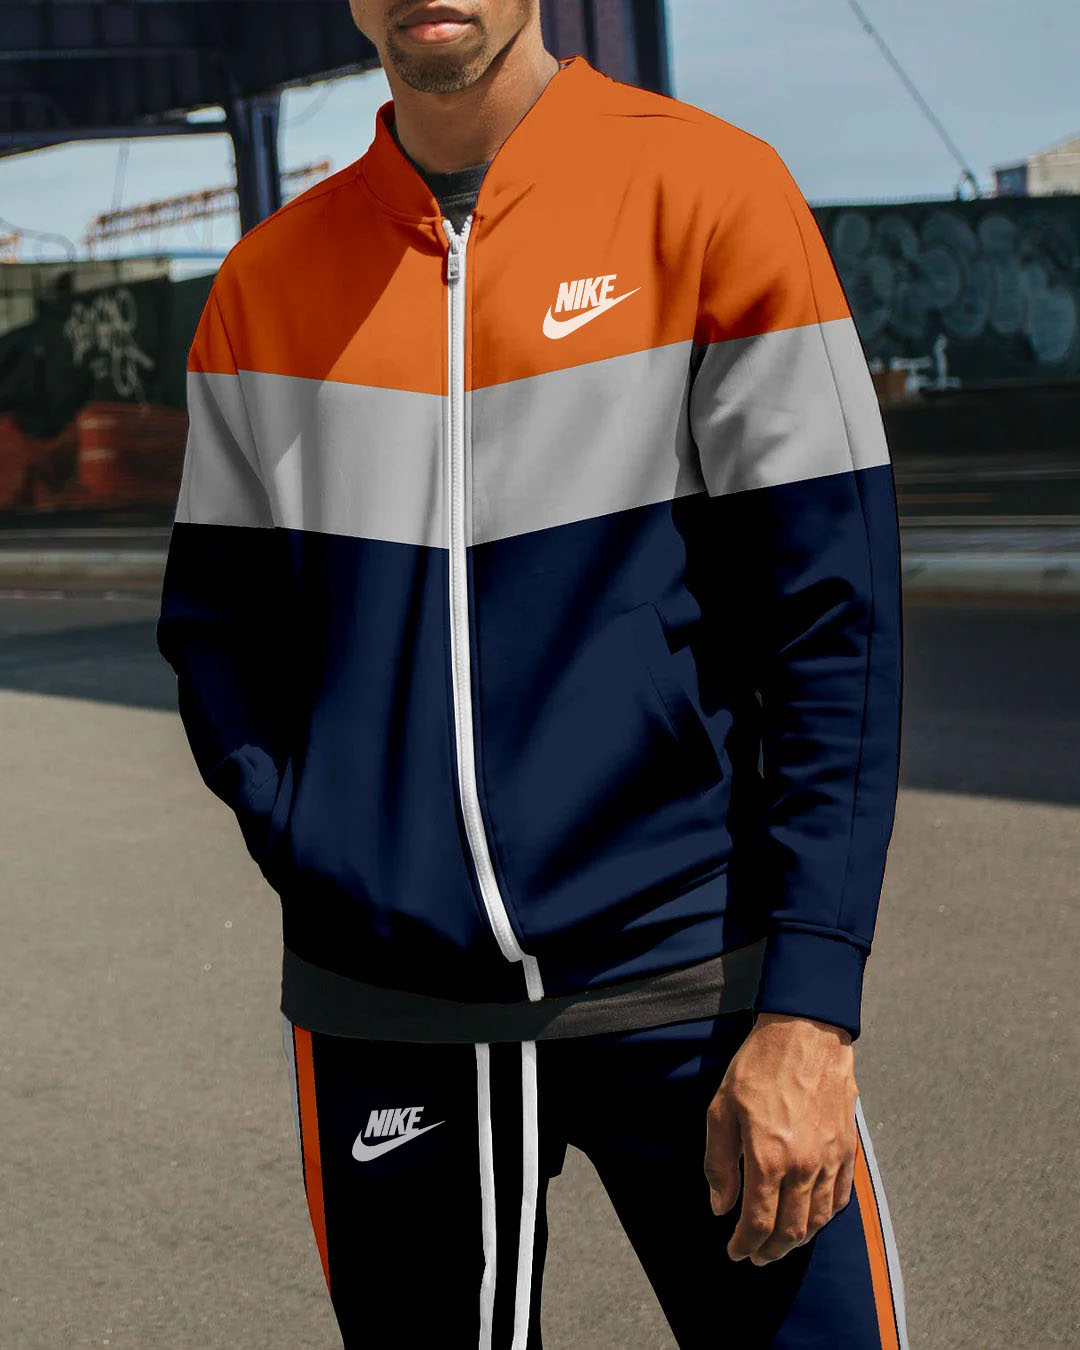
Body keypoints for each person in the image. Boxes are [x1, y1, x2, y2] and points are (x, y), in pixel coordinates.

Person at [155, 2, 908, 1346]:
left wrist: (811, 1003)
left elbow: (835, 622)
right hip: (388, 1008)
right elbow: (218, 631)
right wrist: (333, 845)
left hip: (696, 977)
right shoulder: (267, 286)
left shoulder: (710, 196)